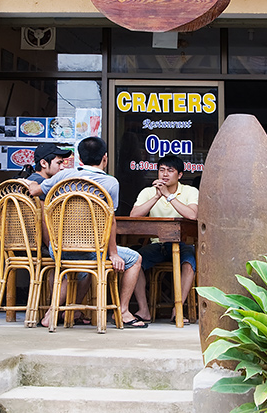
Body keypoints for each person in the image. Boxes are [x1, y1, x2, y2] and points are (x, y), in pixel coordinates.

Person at [23, 136, 147, 329]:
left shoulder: (63, 176)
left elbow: (35, 191)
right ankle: (123, 311)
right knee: (135, 259)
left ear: (80, 158)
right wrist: (113, 253)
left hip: (59, 250)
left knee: (82, 269)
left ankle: (52, 314)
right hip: (93, 251)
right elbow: (111, 221)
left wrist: (30, 184)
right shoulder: (110, 183)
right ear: (105, 158)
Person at [129, 155, 198, 324]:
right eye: (161, 170)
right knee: (133, 261)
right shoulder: (148, 192)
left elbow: (192, 215)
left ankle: (178, 309)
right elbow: (134, 216)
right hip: (157, 245)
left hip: (183, 245)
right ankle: (144, 310)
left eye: (170, 170)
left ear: (180, 175)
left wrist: (169, 196)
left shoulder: (190, 191)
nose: (165, 174)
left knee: (189, 264)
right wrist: (157, 197)